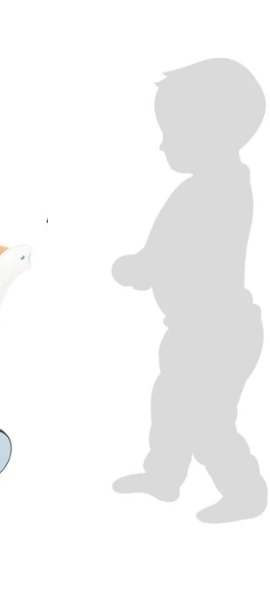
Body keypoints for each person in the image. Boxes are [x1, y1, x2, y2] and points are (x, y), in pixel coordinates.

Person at [112, 58, 267, 523]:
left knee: (208, 419)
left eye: (172, 131)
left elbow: (164, 255)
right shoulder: (225, 184)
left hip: (218, 333)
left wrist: (134, 268)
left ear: (212, 131)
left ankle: (246, 492)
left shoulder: (207, 194)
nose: (163, 144)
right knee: (170, 406)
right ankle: (163, 476)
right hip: (194, 329)